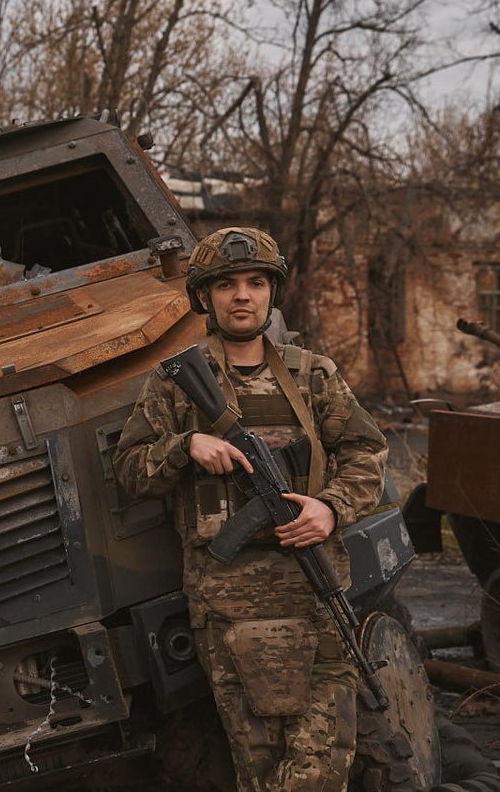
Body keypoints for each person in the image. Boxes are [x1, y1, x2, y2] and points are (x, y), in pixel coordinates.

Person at [112, 227, 388, 792]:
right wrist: (185, 447)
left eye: (256, 283)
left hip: (315, 591)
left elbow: (367, 450)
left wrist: (330, 508)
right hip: (230, 603)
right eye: (227, 285)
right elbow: (130, 470)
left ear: (272, 293)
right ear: (205, 298)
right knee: (260, 767)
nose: (243, 295)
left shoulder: (313, 374)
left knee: (324, 761)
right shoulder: (175, 386)